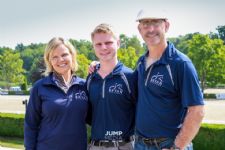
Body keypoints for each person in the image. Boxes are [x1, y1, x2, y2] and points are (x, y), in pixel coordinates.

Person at [134, 9, 205, 150]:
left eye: (156, 23)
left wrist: (177, 147)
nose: (151, 29)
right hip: (140, 144)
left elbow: (197, 111)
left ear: (166, 26)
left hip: (168, 145)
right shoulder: (140, 62)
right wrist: (98, 66)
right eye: (146, 24)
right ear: (139, 29)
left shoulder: (181, 64)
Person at [24, 37, 89, 150]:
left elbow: (95, 118)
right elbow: (30, 125)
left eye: (64, 55)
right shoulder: (39, 87)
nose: (60, 60)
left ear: (72, 56)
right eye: (55, 57)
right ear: (49, 61)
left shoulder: (85, 86)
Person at [87, 23, 137, 150]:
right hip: (95, 146)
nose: (103, 47)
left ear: (118, 43)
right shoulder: (90, 78)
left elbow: (143, 114)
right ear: (93, 47)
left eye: (108, 42)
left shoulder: (130, 77)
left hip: (124, 145)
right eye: (98, 44)